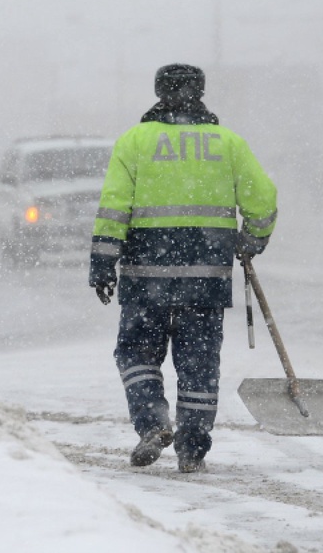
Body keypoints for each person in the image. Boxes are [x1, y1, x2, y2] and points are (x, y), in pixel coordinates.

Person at [89, 63, 277, 473]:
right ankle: (192, 449)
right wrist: (253, 239)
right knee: (198, 363)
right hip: (206, 278)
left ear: (158, 91)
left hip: (145, 276)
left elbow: (114, 208)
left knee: (136, 352)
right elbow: (262, 200)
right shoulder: (227, 143)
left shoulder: (135, 141)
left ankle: (153, 422)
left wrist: (103, 262)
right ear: (200, 92)